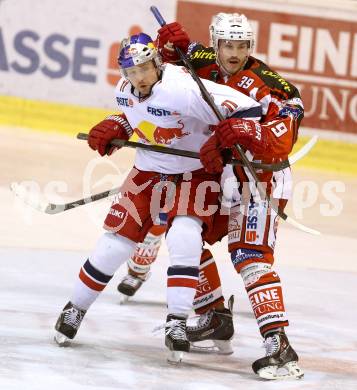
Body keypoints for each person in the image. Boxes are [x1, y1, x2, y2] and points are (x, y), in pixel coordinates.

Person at [54, 32, 263, 364]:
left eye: (144, 68)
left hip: (194, 175)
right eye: (131, 71)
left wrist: (223, 144)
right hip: (147, 173)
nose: (139, 77)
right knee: (115, 245)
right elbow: (139, 117)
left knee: (184, 237)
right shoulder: (123, 91)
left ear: (157, 63)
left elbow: (250, 109)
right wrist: (117, 124)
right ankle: (74, 309)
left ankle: (177, 322)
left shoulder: (184, 90)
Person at [117, 13, 305, 379]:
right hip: (221, 177)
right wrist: (169, 50)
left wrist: (247, 130)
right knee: (184, 232)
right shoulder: (200, 60)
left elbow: (286, 130)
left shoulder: (268, 83)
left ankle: (279, 348)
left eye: (242, 46)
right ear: (215, 43)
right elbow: (161, 83)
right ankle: (215, 316)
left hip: (258, 178)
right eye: (227, 45)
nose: (234, 53)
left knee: (250, 255)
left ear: (251, 46)